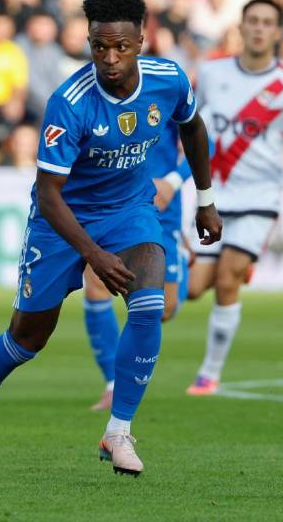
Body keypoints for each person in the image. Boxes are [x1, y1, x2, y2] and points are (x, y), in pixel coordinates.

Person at [0, 0, 222, 478]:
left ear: (142, 41)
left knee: (148, 303)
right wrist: (92, 254)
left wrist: (206, 202)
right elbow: (47, 194)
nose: (109, 58)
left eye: (120, 47)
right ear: (87, 42)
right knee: (27, 339)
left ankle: (119, 431)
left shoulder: (169, 79)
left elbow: (192, 127)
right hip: (62, 219)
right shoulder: (70, 101)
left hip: (129, 209)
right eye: (98, 47)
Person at [185, 0, 283, 396]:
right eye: (253, 21)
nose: (260, 28)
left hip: (261, 195)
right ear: (241, 27)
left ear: (277, 32)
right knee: (194, 288)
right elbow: (192, 120)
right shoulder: (211, 74)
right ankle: (240, 261)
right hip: (215, 193)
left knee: (227, 280)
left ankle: (209, 374)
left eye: (267, 22)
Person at [82, 129, 208, 411]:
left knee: (164, 309)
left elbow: (204, 141)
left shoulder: (165, 88)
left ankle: (186, 263)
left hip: (161, 210)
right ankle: (113, 385)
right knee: (95, 285)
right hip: (112, 204)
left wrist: (172, 182)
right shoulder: (101, 91)